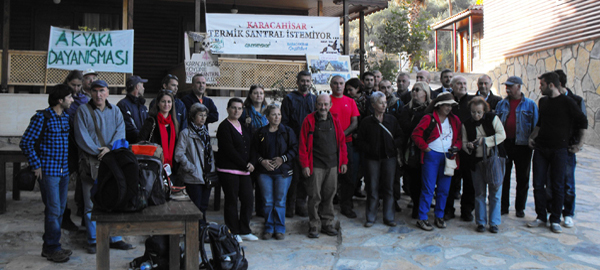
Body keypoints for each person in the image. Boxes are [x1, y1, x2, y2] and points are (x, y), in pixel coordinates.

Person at [73, 80, 134, 254]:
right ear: (90, 92)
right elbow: (81, 136)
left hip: (112, 162)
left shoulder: (115, 111)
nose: (98, 94)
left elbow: (120, 132)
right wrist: (98, 151)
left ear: (108, 92)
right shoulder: (83, 111)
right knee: (90, 202)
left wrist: (109, 148)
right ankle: (93, 239)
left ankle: (115, 237)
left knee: (114, 199)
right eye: (95, 91)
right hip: (90, 163)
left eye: (102, 91)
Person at [527, 72, 587, 234]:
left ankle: (555, 219)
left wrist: (578, 145)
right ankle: (541, 216)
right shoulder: (543, 102)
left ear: (551, 85)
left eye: (542, 84)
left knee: (558, 185)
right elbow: (540, 123)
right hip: (541, 149)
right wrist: (532, 137)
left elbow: (583, 122)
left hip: (560, 149)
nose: (540, 87)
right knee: (538, 184)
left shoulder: (569, 102)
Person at [20, 84, 73, 263]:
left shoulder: (65, 118)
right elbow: (26, 142)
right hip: (48, 172)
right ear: (60, 100)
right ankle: (52, 248)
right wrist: (36, 165)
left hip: (63, 171)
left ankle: (51, 245)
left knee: (59, 210)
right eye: (69, 97)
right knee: (53, 210)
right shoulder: (42, 118)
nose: (72, 100)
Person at [299, 94, 348, 238]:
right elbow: (302, 145)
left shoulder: (335, 120)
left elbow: (342, 142)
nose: (323, 107)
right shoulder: (309, 120)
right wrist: (305, 165)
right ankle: (314, 225)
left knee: (329, 195)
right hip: (316, 165)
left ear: (330, 105)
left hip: (332, 165)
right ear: (316, 105)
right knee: (314, 196)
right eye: (320, 104)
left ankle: (327, 223)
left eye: (326, 104)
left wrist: (344, 161)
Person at [411, 92, 462, 231]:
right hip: (431, 157)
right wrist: (426, 149)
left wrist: (456, 147)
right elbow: (416, 134)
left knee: (444, 189)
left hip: (448, 157)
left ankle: (439, 215)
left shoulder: (454, 120)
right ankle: (422, 217)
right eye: (446, 105)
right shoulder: (429, 118)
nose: (449, 108)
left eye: (451, 105)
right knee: (428, 188)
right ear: (439, 105)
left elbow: (459, 137)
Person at [356, 92, 403, 227]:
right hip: (372, 159)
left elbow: (400, 136)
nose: (384, 105)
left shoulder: (391, 120)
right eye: (381, 103)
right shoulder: (366, 122)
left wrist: (393, 145)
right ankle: (370, 217)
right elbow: (360, 141)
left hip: (389, 158)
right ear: (373, 105)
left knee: (389, 188)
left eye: (385, 102)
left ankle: (389, 217)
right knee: (372, 187)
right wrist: (370, 149)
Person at [251, 104, 298, 240]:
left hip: (282, 173)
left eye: (278, 114)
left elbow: (294, 148)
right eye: (273, 114)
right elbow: (255, 150)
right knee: (267, 201)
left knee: (280, 201)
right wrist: (262, 161)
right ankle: (269, 227)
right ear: (267, 117)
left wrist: (282, 159)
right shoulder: (260, 133)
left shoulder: (287, 132)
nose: (277, 117)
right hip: (265, 172)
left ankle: (279, 228)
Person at [461, 97, 506, 233]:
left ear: (484, 111)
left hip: (493, 160)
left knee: (495, 192)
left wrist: (485, 141)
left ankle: (494, 222)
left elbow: (502, 135)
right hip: (476, 161)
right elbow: (463, 142)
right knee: (479, 193)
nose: (476, 115)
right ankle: (480, 222)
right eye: (474, 112)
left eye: (479, 112)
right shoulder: (466, 124)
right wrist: (468, 146)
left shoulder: (492, 118)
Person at [216, 98, 258, 242]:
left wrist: (252, 162)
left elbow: (252, 146)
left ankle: (245, 229)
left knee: (248, 200)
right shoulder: (224, 127)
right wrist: (245, 164)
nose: (236, 111)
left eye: (239, 108)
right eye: (233, 108)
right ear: (228, 109)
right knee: (231, 201)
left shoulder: (244, 127)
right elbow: (229, 150)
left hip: (245, 171)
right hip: (229, 171)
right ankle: (233, 231)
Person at [549, 69, 587, 228]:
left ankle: (568, 213)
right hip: (550, 147)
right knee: (551, 182)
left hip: (567, 148)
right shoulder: (548, 100)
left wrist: (579, 145)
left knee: (567, 182)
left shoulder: (576, 101)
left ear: (558, 84)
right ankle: (552, 211)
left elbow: (583, 125)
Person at [496, 76, 538, 218]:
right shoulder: (501, 104)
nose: (507, 89)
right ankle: (503, 206)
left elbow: (536, 125)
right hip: (505, 144)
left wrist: (533, 141)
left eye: (510, 86)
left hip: (523, 145)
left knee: (522, 177)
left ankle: (520, 208)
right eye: (506, 86)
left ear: (519, 87)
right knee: (503, 177)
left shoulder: (530, 105)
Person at [281, 71, 317, 218]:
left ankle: (301, 204)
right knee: (293, 176)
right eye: (302, 81)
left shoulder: (314, 99)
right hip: (294, 142)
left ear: (311, 82)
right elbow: (284, 122)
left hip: (310, 144)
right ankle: (290, 205)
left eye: (308, 81)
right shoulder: (289, 99)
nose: (305, 84)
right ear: (297, 82)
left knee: (305, 176)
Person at [174, 103, 214, 225]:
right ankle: (195, 232)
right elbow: (179, 154)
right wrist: (190, 167)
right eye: (200, 115)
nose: (203, 118)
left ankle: (202, 232)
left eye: (205, 115)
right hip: (193, 176)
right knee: (195, 207)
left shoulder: (205, 132)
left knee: (204, 206)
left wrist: (212, 168)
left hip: (206, 175)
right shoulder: (186, 133)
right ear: (192, 116)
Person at [398, 82, 431, 218]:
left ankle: (424, 208)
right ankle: (417, 207)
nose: (414, 92)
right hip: (411, 151)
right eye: (413, 90)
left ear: (425, 93)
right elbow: (405, 128)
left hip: (428, 150)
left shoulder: (431, 110)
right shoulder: (406, 109)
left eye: (417, 90)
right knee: (414, 181)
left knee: (427, 182)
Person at [329, 76, 360, 218]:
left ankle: (346, 205)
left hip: (346, 144)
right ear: (331, 85)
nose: (338, 86)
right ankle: (328, 204)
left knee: (348, 176)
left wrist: (342, 135)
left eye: (341, 83)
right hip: (329, 144)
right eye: (335, 83)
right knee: (330, 175)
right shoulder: (326, 101)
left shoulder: (351, 102)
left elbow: (354, 123)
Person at [445, 75, 475, 222]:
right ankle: (448, 209)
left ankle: (467, 210)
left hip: (468, 149)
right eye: (459, 83)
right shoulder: (447, 102)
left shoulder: (473, 102)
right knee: (450, 181)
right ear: (452, 85)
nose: (462, 86)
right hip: (451, 148)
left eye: (464, 83)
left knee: (469, 182)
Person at [61, 70, 85, 232]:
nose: (76, 89)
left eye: (78, 86)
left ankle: (85, 215)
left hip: (81, 145)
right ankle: (63, 216)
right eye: (73, 85)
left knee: (84, 181)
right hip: (65, 147)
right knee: (63, 184)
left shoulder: (84, 99)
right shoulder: (61, 98)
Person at [240, 84, 269, 217]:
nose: (259, 95)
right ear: (250, 95)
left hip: (265, 151)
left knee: (262, 183)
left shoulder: (268, 111)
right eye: (256, 93)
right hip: (249, 151)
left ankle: (261, 210)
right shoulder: (244, 111)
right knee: (248, 183)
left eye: (261, 93)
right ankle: (247, 210)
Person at [138, 91, 180, 170]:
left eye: (169, 102)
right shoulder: (151, 121)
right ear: (158, 103)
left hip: (171, 167)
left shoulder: (174, 122)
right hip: (153, 165)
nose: (166, 105)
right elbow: (141, 141)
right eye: (163, 101)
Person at [343, 78, 368, 200]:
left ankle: (357, 187)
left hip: (363, 138)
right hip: (351, 138)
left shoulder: (367, 101)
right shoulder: (347, 101)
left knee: (361, 167)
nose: (348, 92)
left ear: (358, 88)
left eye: (350, 89)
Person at [117, 75, 149, 144]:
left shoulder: (143, 106)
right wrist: (144, 137)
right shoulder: (123, 105)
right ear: (137, 87)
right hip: (130, 147)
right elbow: (129, 130)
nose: (143, 88)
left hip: (143, 146)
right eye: (142, 85)